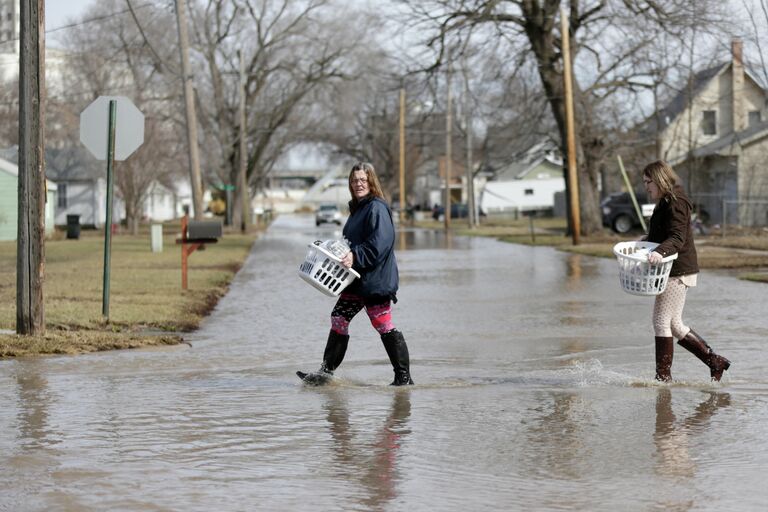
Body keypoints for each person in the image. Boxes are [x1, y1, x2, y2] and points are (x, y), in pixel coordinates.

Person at [308, 162, 413, 385]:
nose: (358, 184)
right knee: (339, 318)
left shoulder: (376, 207)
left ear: (371, 182)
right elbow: (351, 241)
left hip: (374, 280)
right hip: (354, 280)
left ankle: (403, 377)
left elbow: (380, 242)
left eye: (363, 180)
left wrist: (356, 256)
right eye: (354, 180)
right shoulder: (357, 208)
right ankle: (325, 373)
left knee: (383, 324)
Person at [642, 160, 730, 382]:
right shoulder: (665, 201)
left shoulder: (677, 201)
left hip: (678, 269)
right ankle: (715, 361)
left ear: (659, 179)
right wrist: (645, 242)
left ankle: (663, 378)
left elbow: (678, 237)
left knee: (661, 321)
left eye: (647, 182)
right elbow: (665, 232)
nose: (645, 187)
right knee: (674, 324)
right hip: (670, 267)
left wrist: (659, 253)